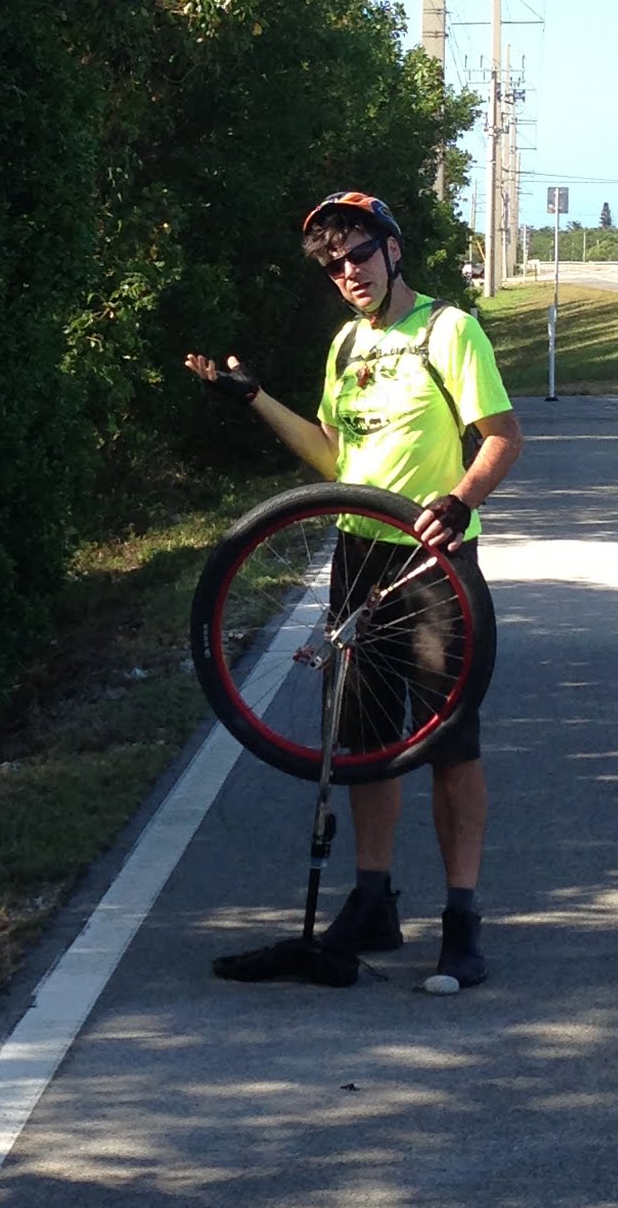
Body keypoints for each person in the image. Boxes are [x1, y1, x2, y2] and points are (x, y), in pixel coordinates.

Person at [184, 191, 523, 987]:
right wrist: (257, 399)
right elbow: (337, 461)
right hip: (359, 559)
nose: (348, 273)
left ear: (393, 249)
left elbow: (502, 438)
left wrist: (460, 499)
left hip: (436, 565)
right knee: (363, 745)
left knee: (449, 747)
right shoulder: (345, 346)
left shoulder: (448, 330)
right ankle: (373, 902)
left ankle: (463, 920)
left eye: (359, 254)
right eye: (333, 265)